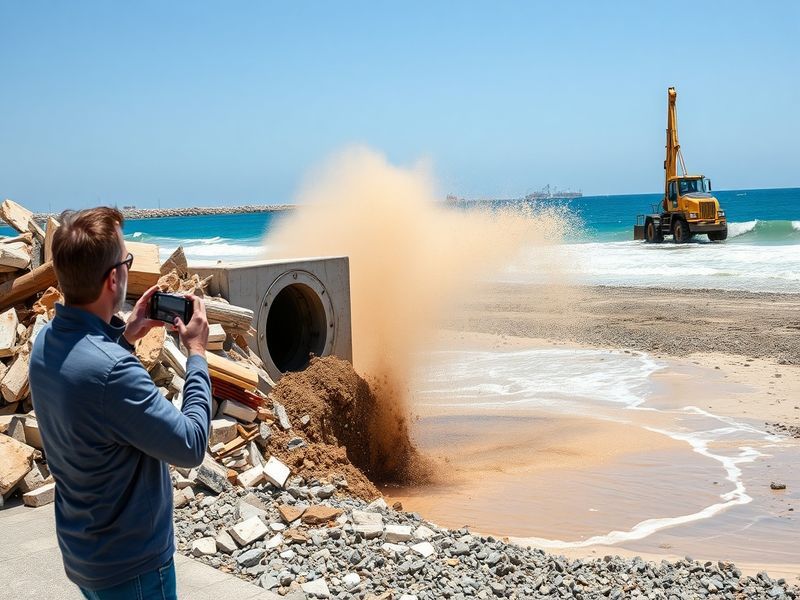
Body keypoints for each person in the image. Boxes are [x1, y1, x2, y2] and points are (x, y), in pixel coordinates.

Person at [29, 207, 211, 599]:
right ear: (114, 278)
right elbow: (191, 444)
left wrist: (126, 336)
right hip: (134, 568)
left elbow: (89, 386)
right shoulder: (114, 372)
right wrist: (196, 353)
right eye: (127, 260)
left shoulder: (43, 342)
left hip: (86, 554)